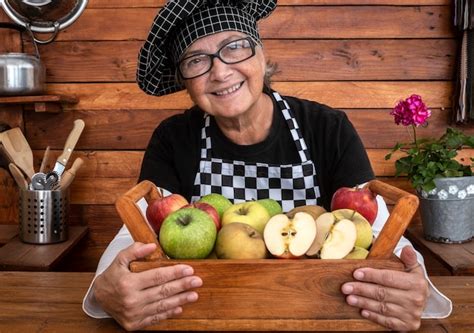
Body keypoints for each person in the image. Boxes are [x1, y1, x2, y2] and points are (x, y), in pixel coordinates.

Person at [83, 0, 452, 331]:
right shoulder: (173, 138)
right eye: (197, 61)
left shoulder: (327, 128)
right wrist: (105, 288)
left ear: (261, 56)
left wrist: (412, 286)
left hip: (318, 313)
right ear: (186, 82)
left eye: (234, 47)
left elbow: (382, 228)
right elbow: (134, 235)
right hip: (209, 315)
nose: (220, 72)